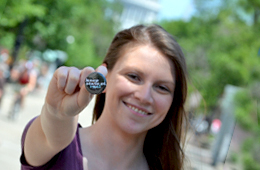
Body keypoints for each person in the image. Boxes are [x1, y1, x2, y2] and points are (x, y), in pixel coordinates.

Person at [20, 24, 189, 170]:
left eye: (162, 87)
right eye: (133, 76)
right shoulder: (60, 148)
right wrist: (59, 113)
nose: (144, 96)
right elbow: (54, 132)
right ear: (105, 76)